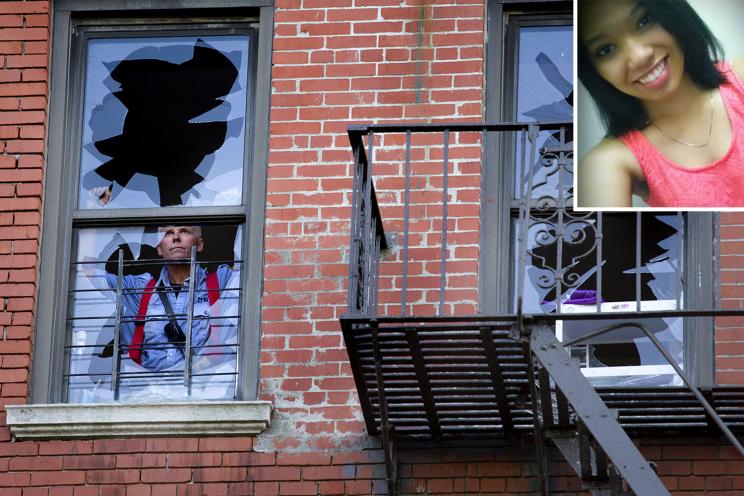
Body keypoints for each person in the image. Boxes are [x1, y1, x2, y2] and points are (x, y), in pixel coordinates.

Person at [577, 0, 744, 208]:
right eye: (606, 49)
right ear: (593, 71)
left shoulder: (740, 79)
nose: (639, 56)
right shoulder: (608, 162)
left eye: (644, 21)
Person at [84, 225, 233, 372]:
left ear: (200, 244)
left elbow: (252, 271)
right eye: (168, 233)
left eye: (184, 231)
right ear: (159, 248)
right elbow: (87, 270)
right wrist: (92, 207)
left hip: (204, 389)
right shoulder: (141, 289)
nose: (176, 237)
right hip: (148, 391)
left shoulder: (220, 281)